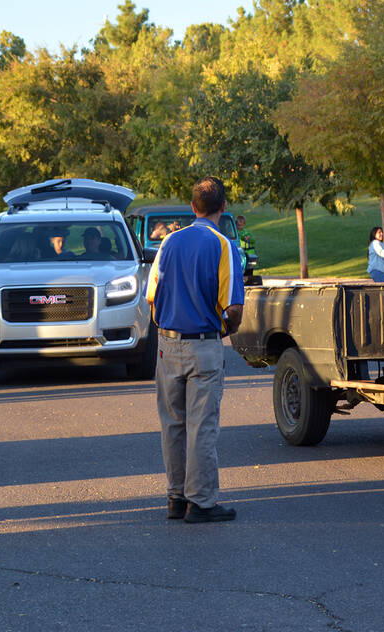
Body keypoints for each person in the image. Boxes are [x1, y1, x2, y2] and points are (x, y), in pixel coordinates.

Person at [146, 176, 244, 523]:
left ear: (192, 207)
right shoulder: (223, 245)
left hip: (167, 343)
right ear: (223, 207)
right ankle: (200, 501)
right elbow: (233, 308)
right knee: (202, 426)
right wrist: (228, 329)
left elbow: (151, 294)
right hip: (203, 343)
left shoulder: (169, 242)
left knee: (172, 424)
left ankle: (175, 496)